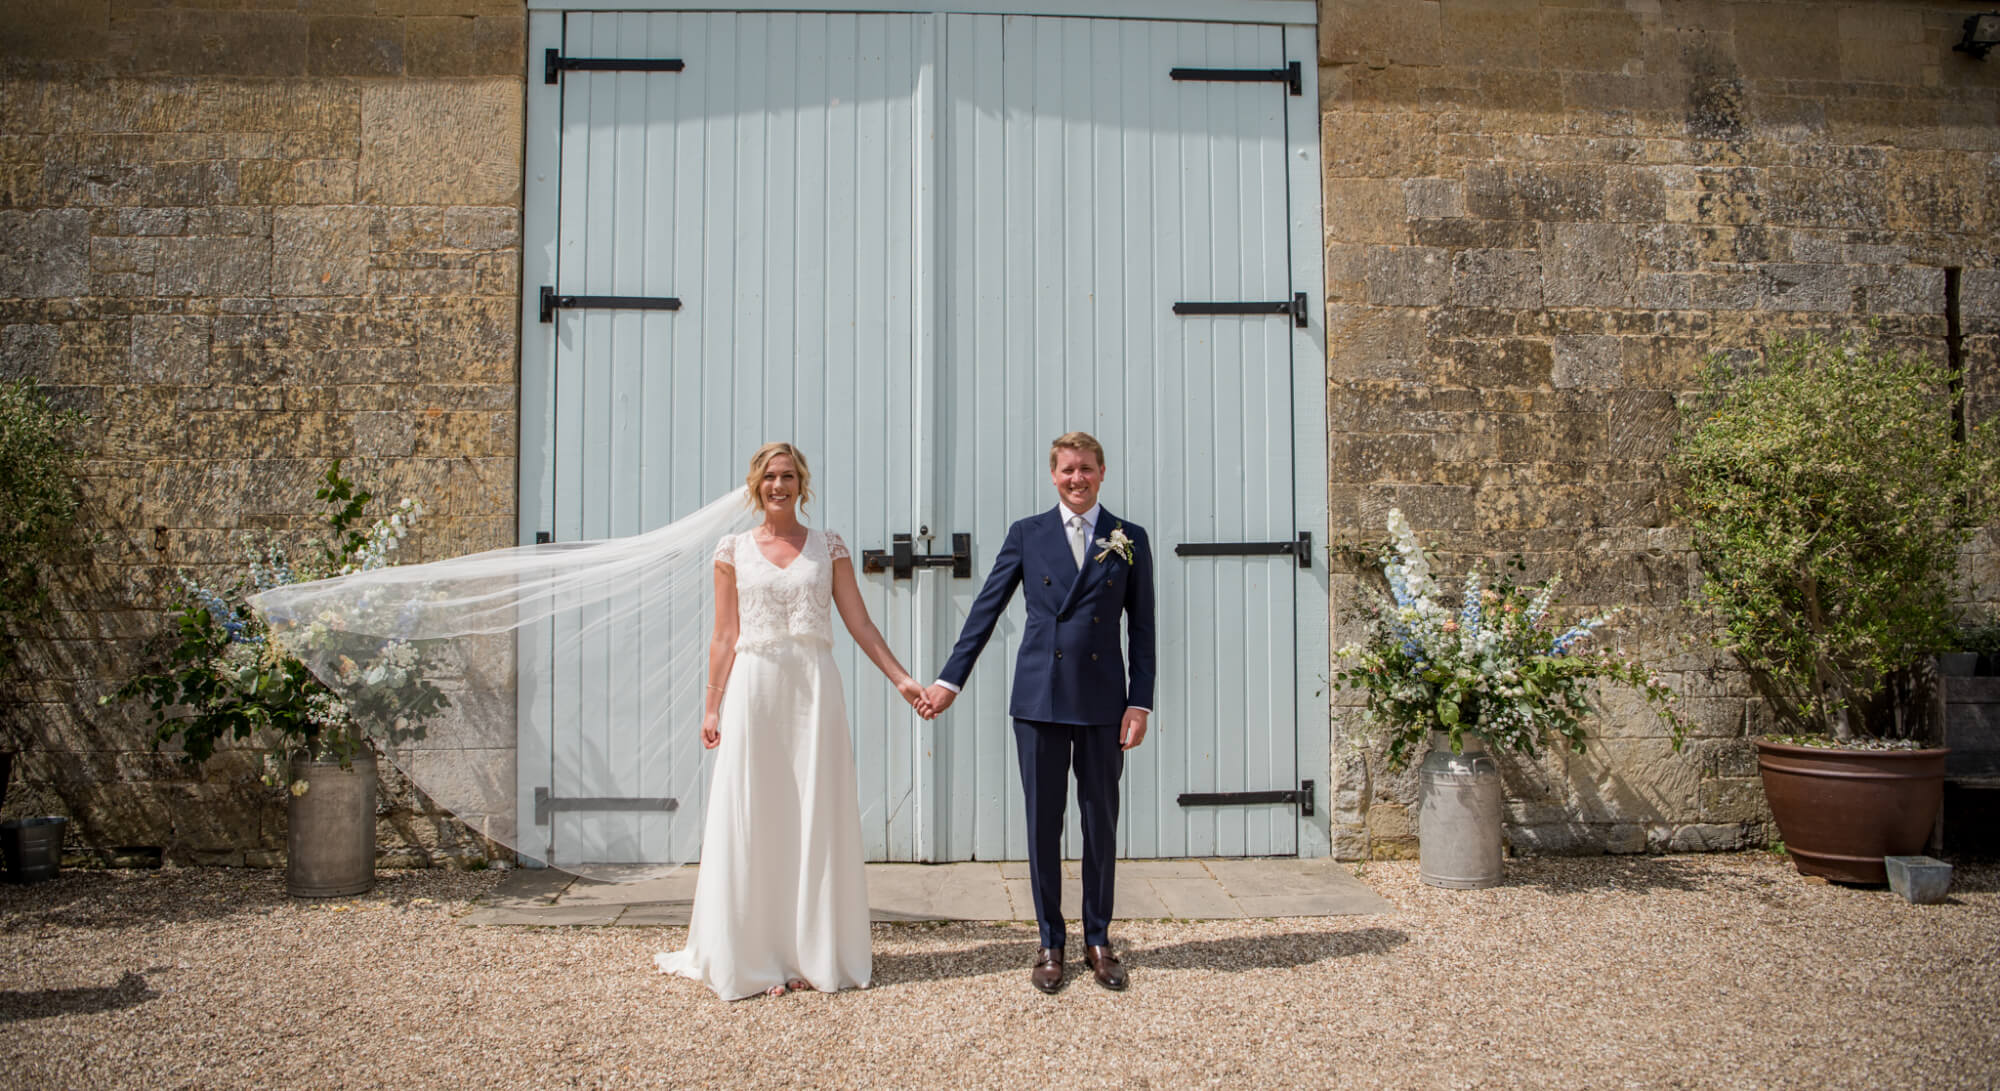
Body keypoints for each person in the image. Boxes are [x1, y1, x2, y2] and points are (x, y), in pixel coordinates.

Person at [656, 442, 933, 1000]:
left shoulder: (827, 547)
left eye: (787, 476)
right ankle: (756, 957)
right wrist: (711, 704)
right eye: (768, 477)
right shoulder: (732, 549)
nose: (777, 486)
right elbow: (724, 635)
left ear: (801, 484)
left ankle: (811, 952)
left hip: (813, 689)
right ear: (755, 486)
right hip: (755, 689)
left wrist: (902, 678)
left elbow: (860, 624)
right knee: (755, 811)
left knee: (813, 810)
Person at [924, 431, 1155, 994]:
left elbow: (1143, 628)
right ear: (1053, 475)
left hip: (1103, 701)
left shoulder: (1129, 538)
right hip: (1040, 699)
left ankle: (1098, 939)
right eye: (1067, 470)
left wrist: (1140, 700)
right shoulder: (1028, 534)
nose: (1077, 479)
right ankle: (1050, 940)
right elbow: (986, 610)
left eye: (1086, 469)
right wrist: (950, 679)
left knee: (1100, 822)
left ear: (1103, 472)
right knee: (1042, 825)